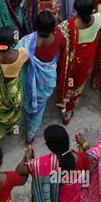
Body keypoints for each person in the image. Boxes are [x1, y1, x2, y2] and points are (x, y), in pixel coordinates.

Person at [15, 125, 90, 202]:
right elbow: (90, 170)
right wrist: (85, 146)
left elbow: (19, 171)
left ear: (50, 147)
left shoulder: (43, 164)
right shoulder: (81, 157)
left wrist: (26, 158)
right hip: (72, 197)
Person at [57, 0, 101, 124]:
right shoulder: (99, 19)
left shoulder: (67, 26)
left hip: (72, 63)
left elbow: (56, 39)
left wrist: (55, 18)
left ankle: (63, 104)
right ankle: (69, 111)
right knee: (78, 84)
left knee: (68, 82)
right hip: (87, 60)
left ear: (76, 10)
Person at [16, 11, 62, 144]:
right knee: (38, 111)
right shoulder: (58, 38)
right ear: (53, 27)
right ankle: (30, 136)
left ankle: (28, 119)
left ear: (36, 26)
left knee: (29, 105)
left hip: (31, 84)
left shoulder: (26, 42)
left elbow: (17, 57)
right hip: (47, 82)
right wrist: (56, 20)